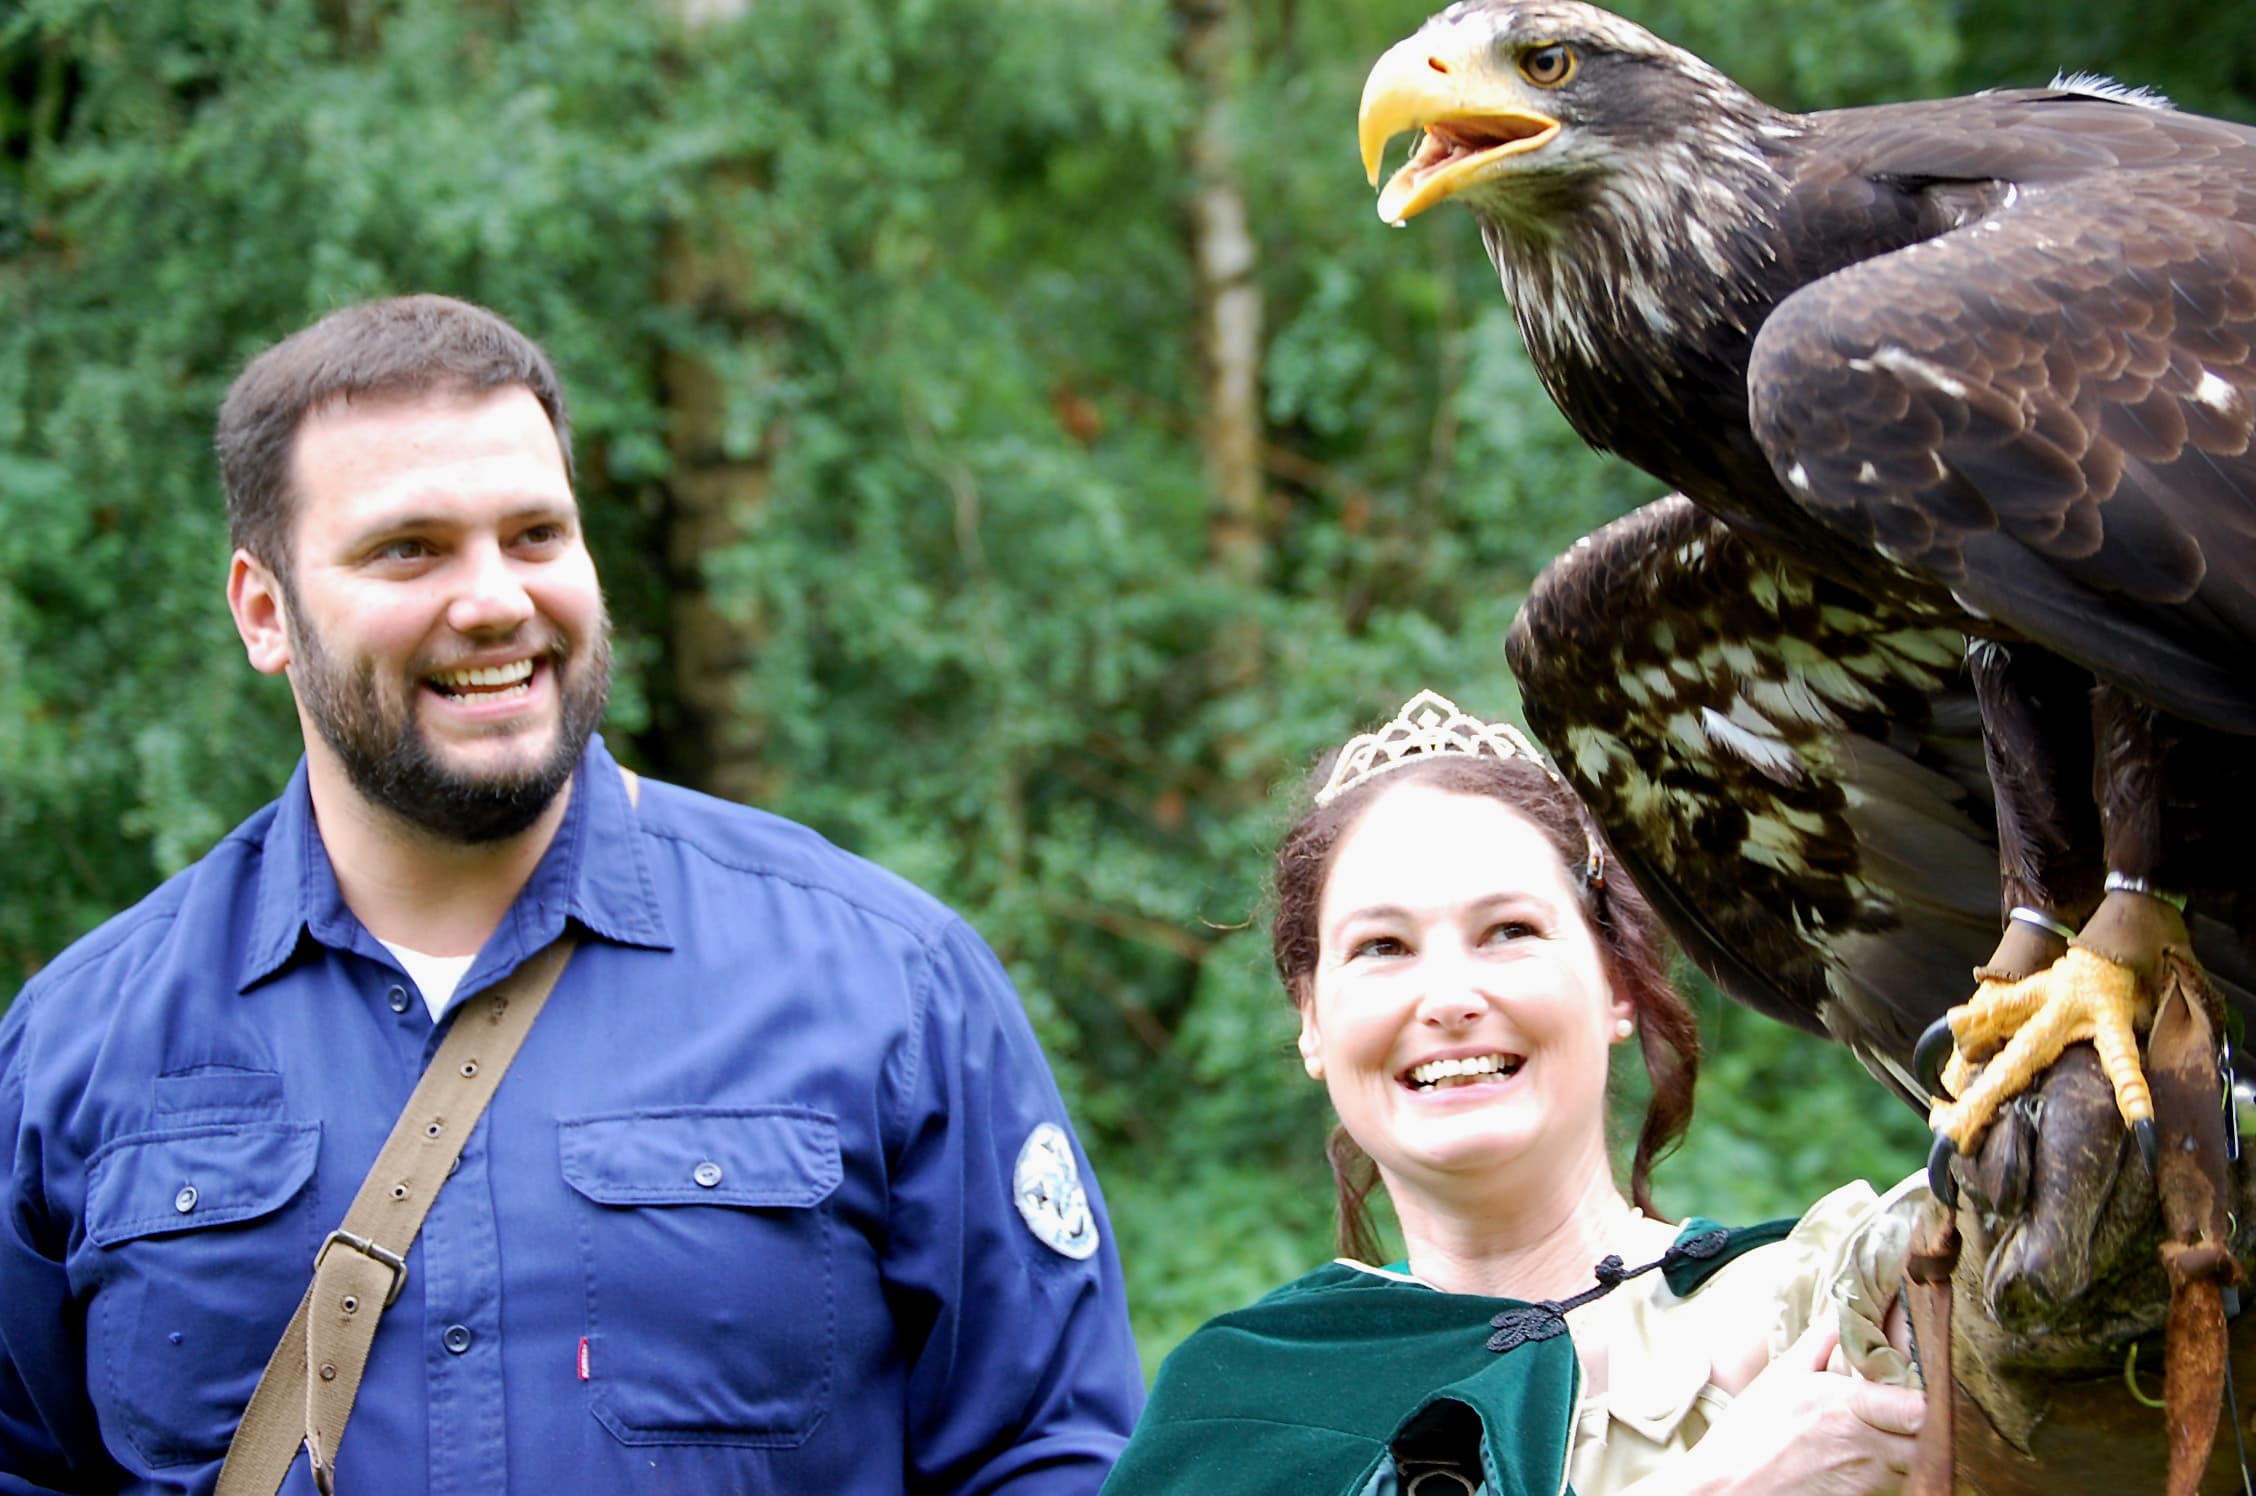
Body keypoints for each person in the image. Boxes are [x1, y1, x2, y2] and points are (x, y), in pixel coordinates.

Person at [0, 294, 1144, 1495]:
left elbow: (1050, 1454)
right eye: (411, 547)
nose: (495, 597)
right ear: (264, 610)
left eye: (536, 534)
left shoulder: (889, 986)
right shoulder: (78, 1050)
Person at [1103, 690, 1928, 1496]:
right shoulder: (1239, 1402)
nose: (1450, 997)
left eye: (1510, 932)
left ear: (1616, 982)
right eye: (1383, 946)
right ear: (1312, 1020)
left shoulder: (1827, 1306)